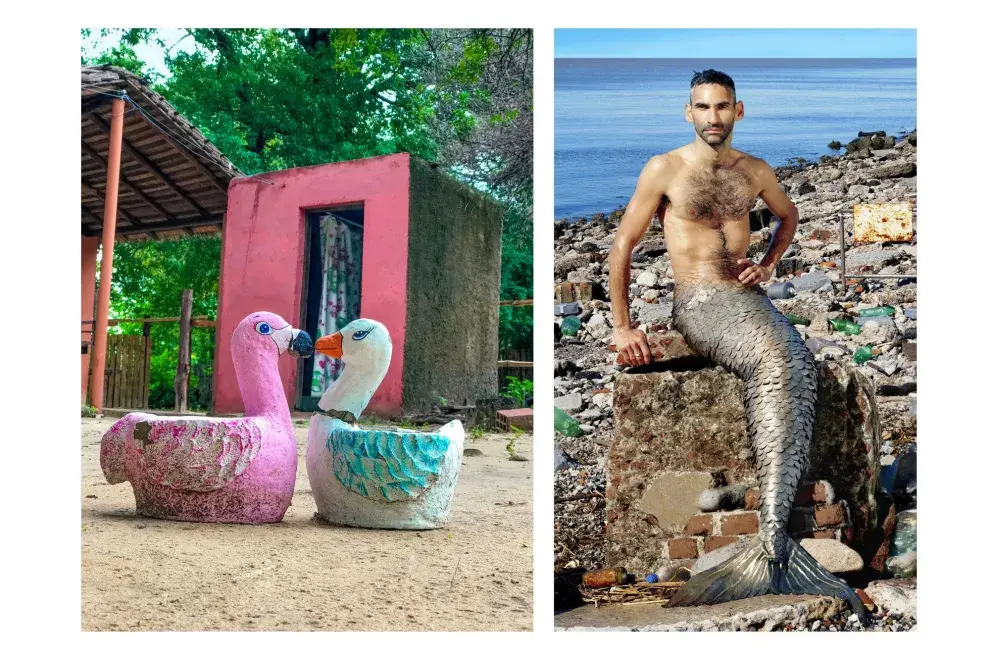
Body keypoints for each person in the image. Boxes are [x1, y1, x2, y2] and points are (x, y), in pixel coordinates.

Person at [607, 69, 864, 619]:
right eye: (702, 107)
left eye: (722, 107)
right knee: (780, 357)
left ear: (738, 110)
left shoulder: (754, 171)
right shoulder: (666, 169)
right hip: (699, 301)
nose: (713, 117)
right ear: (688, 112)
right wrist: (623, 325)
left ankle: (774, 544)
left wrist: (768, 263)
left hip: (747, 299)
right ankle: (775, 541)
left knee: (792, 357)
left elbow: (789, 217)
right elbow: (623, 246)